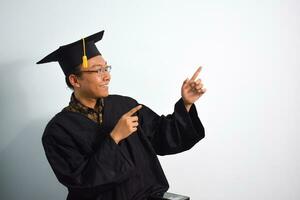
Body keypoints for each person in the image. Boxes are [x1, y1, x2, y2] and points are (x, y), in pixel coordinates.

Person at [37, 30, 207, 200]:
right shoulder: (58, 130)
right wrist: (115, 138)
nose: (107, 76)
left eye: (106, 68)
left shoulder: (125, 106)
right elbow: (80, 182)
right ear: (75, 80)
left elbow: (163, 137)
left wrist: (186, 104)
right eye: (98, 71)